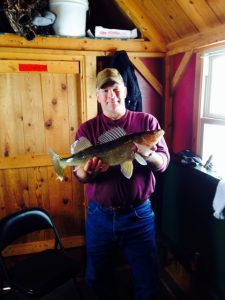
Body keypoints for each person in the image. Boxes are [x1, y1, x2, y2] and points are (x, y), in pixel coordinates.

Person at [73, 68, 170, 300]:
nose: (111, 95)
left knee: (147, 281)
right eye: (104, 91)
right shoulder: (87, 130)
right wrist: (87, 172)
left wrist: (148, 154)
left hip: (139, 216)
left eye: (115, 89)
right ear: (97, 96)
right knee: (97, 279)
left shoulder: (146, 122)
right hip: (99, 216)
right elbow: (79, 175)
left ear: (125, 91)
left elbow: (163, 163)